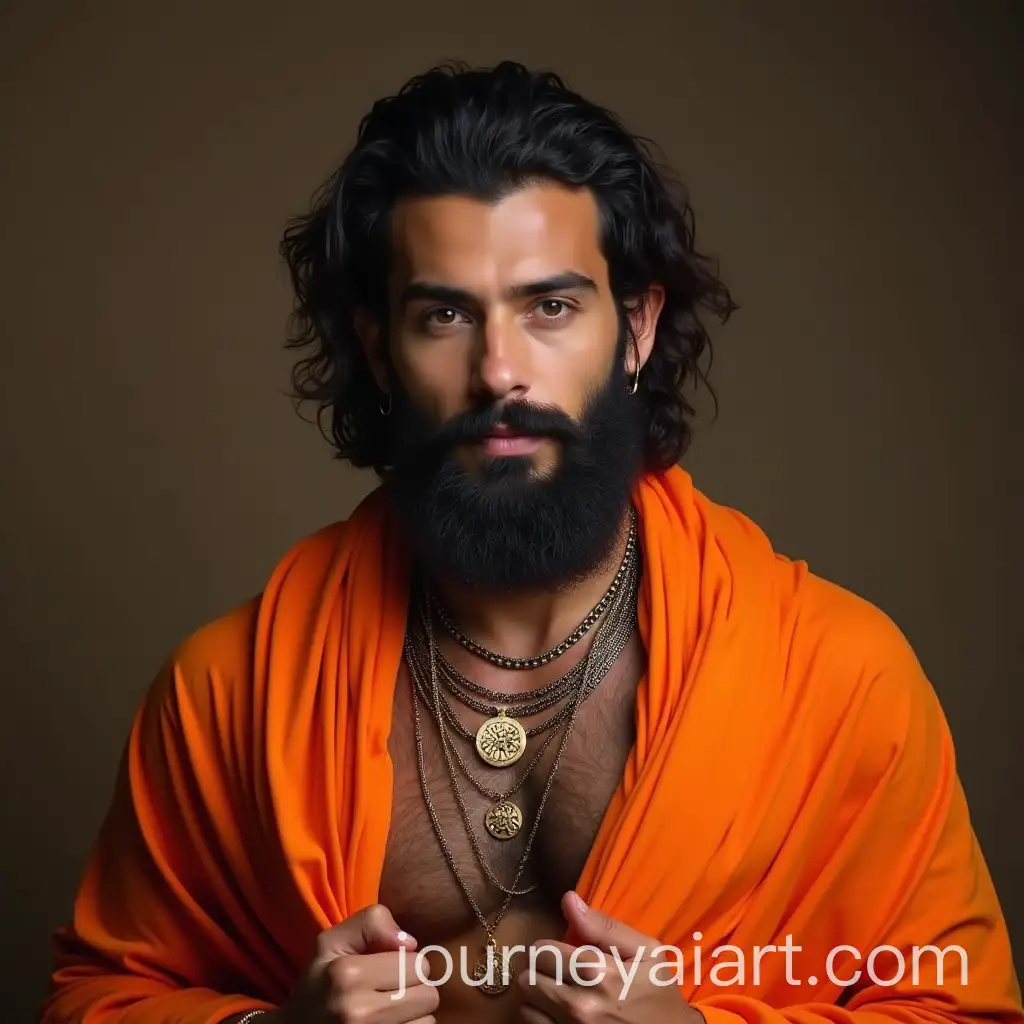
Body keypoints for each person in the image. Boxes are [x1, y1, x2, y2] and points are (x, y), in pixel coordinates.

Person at [43, 60, 1021, 1024]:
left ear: (636, 328)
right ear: (379, 349)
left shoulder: (837, 679)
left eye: (550, 306)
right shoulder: (231, 694)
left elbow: (962, 1011)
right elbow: (96, 997)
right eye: (444, 314)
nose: (498, 369)